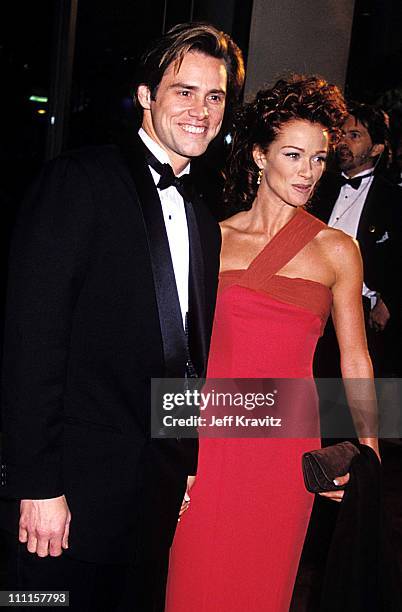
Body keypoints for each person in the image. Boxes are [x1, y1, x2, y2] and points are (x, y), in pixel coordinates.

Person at [0, 22, 245, 611]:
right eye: (183, 91)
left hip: (152, 494)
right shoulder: (78, 182)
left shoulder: (205, 222)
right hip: (65, 498)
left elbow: (187, 352)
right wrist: (38, 485)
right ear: (145, 95)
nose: (200, 110)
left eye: (214, 97)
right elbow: (32, 343)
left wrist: (183, 458)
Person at [165, 75, 380, 612]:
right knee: (189, 585)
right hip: (210, 443)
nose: (308, 172)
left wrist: (371, 451)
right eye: (293, 154)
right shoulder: (210, 238)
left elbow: (356, 357)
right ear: (259, 155)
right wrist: (166, 444)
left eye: (320, 158)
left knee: (264, 589)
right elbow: (180, 352)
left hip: (286, 448)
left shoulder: (338, 250)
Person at [312, 102, 402, 378]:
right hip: (311, 301)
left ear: (376, 149)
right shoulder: (316, 186)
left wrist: (388, 302)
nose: (343, 142)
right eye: (342, 133)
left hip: (359, 310)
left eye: (355, 135)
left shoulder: (392, 199)